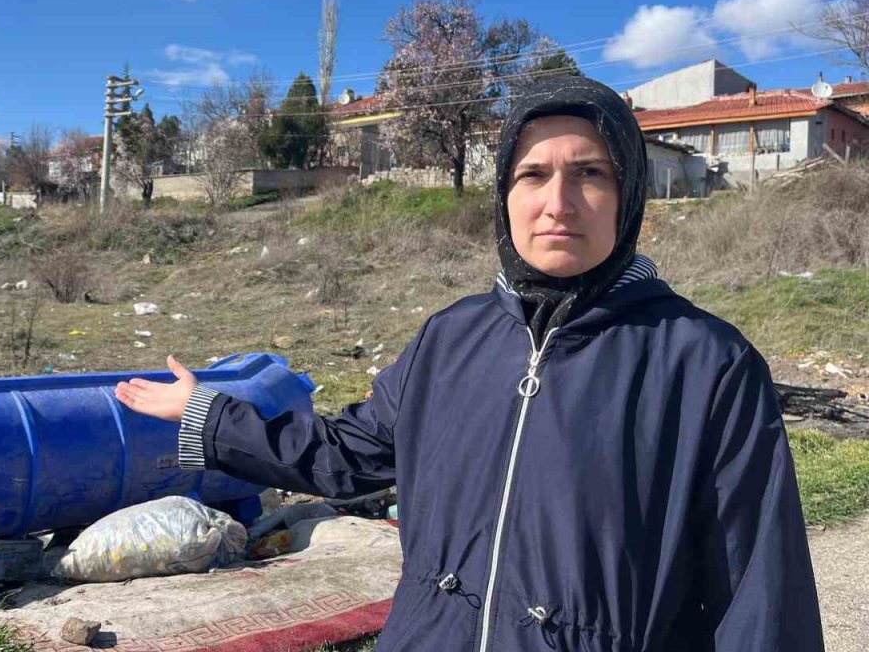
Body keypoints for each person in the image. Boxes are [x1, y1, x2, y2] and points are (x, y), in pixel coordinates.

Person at [114, 76, 823, 652]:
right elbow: (346, 455)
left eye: (589, 174)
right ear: (504, 197)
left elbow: (759, 592)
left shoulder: (704, 364)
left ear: (629, 192)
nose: (558, 203)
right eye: (533, 175)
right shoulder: (451, 339)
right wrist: (209, 415)